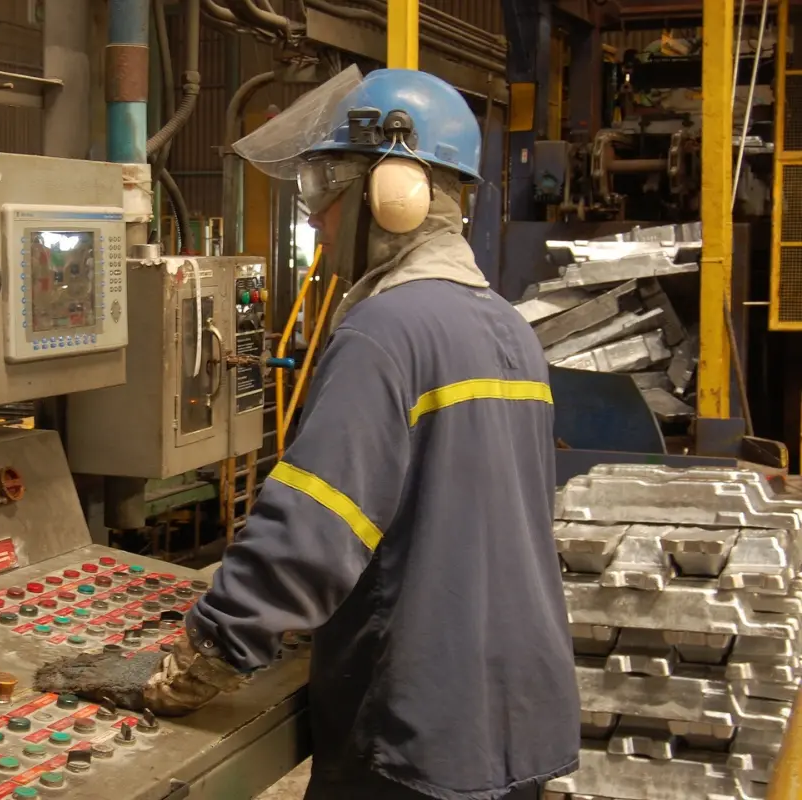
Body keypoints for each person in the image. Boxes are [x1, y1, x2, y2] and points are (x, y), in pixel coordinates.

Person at [136, 68, 580, 799]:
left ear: (394, 195)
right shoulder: (508, 328)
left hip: (419, 727)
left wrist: (209, 651)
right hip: (514, 714)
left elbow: (311, 529)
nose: (316, 220)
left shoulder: (386, 330)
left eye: (324, 190)